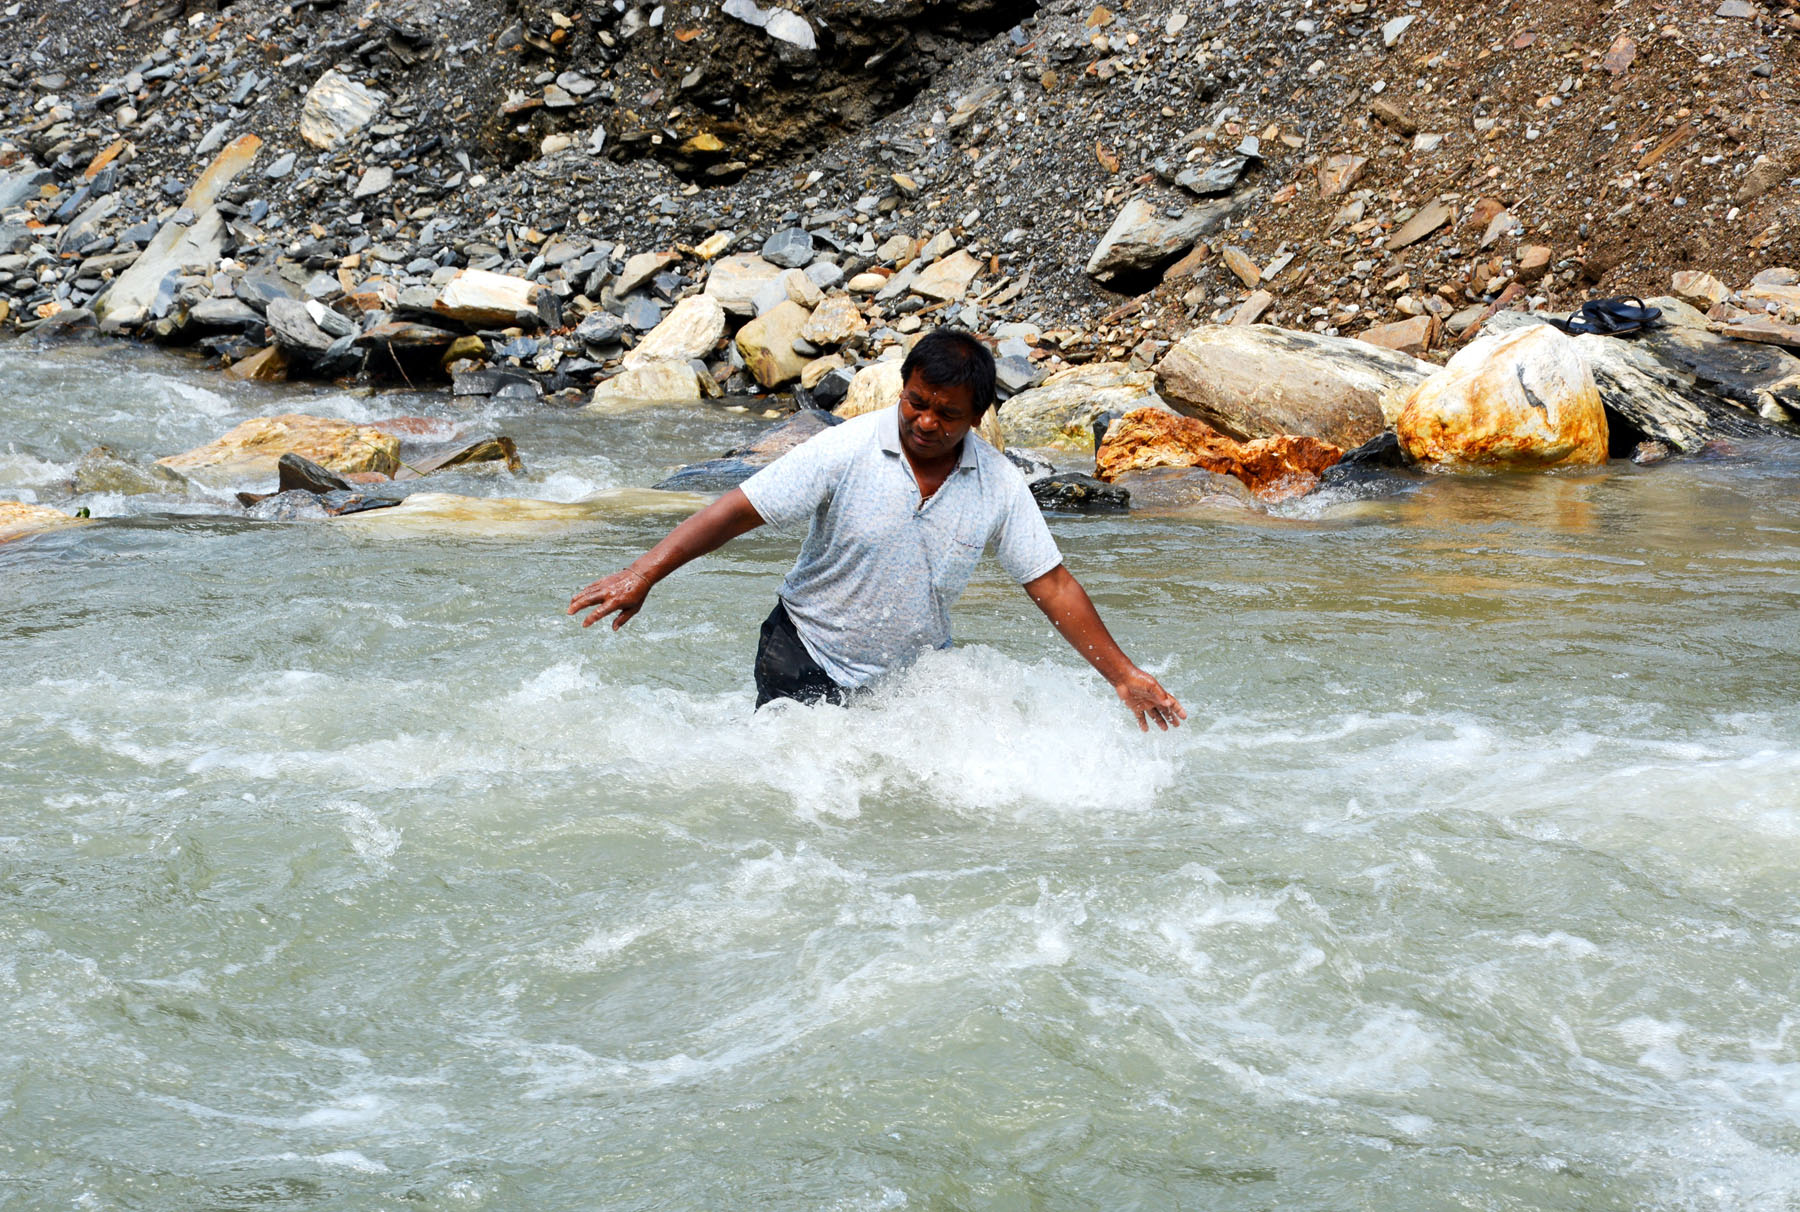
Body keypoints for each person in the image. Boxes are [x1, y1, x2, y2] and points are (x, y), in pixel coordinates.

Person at [567, 328, 1186, 732]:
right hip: (802, 652)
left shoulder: (997, 484)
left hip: (911, 681)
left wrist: (1124, 675)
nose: (925, 421)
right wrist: (645, 572)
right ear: (903, 388)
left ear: (978, 417)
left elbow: (1051, 584)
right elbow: (738, 509)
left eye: (947, 414)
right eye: (916, 401)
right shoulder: (845, 449)